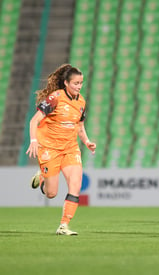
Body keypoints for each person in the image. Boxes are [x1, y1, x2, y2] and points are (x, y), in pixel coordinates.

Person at [26, 64, 96, 235]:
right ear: (66, 83)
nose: (79, 87)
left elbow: (79, 126)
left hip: (70, 148)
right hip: (49, 147)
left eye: (81, 83)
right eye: (75, 83)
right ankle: (42, 176)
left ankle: (63, 226)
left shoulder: (81, 101)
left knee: (75, 185)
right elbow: (34, 121)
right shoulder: (55, 98)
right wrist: (33, 140)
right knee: (51, 194)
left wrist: (86, 141)